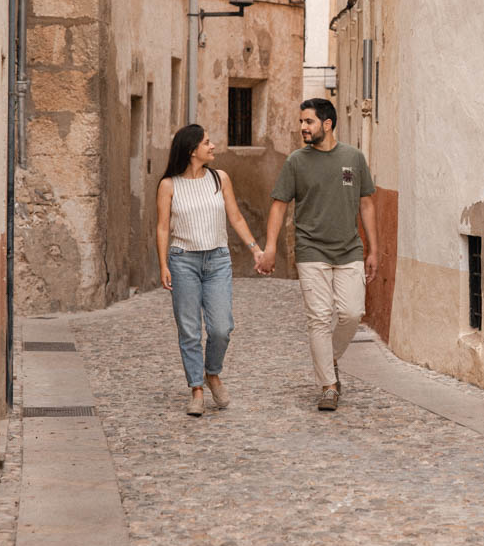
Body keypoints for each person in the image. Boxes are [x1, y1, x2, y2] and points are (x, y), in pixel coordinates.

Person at [256, 98, 377, 412]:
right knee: (319, 319)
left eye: (308, 122)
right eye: (301, 122)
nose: (302, 128)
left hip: (349, 249)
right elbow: (279, 205)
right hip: (311, 250)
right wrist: (270, 248)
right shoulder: (296, 161)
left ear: (327, 123)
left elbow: (366, 204)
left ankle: (329, 358)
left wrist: (373, 249)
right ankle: (328, 385)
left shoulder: (353, 157)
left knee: (352, 313)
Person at [156, 124, 263, 417]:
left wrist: (255, 248)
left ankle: (212, 372)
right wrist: (164, 263)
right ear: (192, 151)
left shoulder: (220, 178)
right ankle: (197, 389)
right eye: (207, 142)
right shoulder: (169, 185)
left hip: (217, 260)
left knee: (221, 328)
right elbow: (163, 227)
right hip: (183, 261)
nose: (213, 146)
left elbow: (236, 218)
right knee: (189, 330)